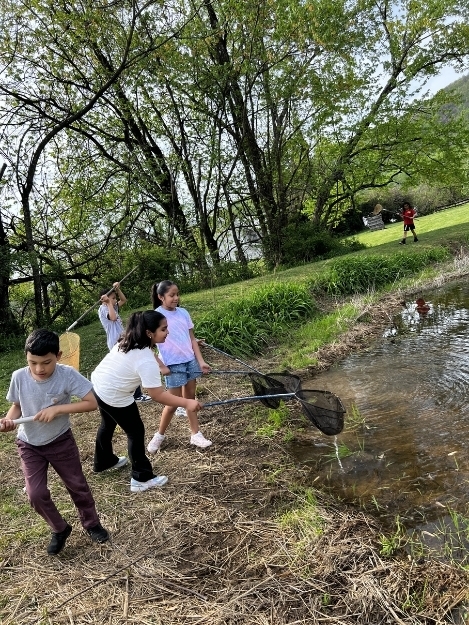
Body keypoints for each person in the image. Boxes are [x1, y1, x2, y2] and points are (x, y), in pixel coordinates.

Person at [0, 329, 109, 555]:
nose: (39, 369)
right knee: (35, 494)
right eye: (33, 362)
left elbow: (91, 402)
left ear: (58, 356)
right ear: (26, 358)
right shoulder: (19, 377)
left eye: (46, 362)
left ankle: (92, 524)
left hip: (60, 441)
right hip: (29, 444)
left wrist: (59, 409)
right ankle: (59, 528)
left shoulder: (67, 374)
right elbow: (17, 406)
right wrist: (9, 421)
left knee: (77, 485)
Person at [91, 310, 204, 492]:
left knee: (108, 423)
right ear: (149, 333)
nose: (168, 332)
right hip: (114, 395)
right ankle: (141, 478)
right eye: (164, 329)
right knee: (136, 432)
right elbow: (157, 395)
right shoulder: (144, 359)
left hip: (98, 386)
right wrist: (187, 403)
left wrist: (161, 366)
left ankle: (103, 461)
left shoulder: (128, 341)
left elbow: (147, 357)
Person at [147, 280, 212, 452]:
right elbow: (147, 347)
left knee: (190, 399)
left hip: (190, 361)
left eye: (177, 294)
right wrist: (161, 365)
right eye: (171, 295)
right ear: (161, 297)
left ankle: (196, 434)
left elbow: (192, 339)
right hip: (172, 365)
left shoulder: (183, 312)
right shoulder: (156, 316)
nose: (176, 298)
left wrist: (201, 361)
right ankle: (159, 435)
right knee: (172, 404)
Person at [98, 281, 151, 403]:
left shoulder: (112, 305)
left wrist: (118, 290)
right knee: (129, 364)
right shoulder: (102, 309)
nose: (114, 300)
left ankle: (132, 393)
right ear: (104, 301)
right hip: (115, 341)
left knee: (131, 363)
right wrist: (107, 303)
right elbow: (113, 318)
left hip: (123, 338)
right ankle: (135, 394)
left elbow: (123, 300)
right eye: (112, 299)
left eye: (113, 298)